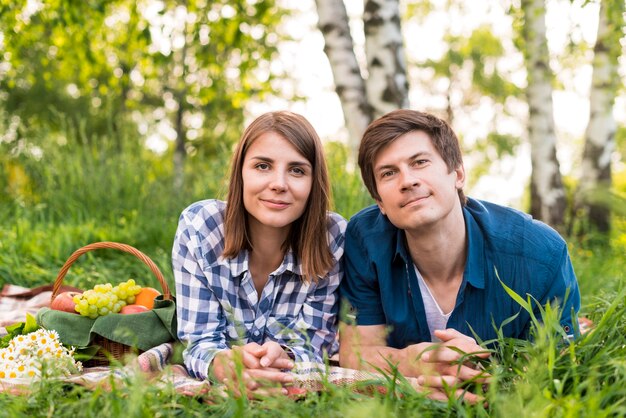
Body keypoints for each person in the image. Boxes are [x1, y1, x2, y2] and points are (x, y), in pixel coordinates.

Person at [339, 109, 580, 399]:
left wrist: (489, 371)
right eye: (388, 173)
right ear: (378, 200)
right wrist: (415, 363)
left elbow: (561, 371)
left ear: (458, 173)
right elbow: (354, 356)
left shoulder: (540, 252)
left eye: (420, 162)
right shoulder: (365, 239)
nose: (407, 181)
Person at [173, 111, 346, 396]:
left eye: (297, 170)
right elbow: (199, 340)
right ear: (241, 172)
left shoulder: (332, 237)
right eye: (263, 166)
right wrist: (222, 364)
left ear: (314, 182)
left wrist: (286, 360)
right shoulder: (201, 227)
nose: (279, 183)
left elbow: (314, 345)